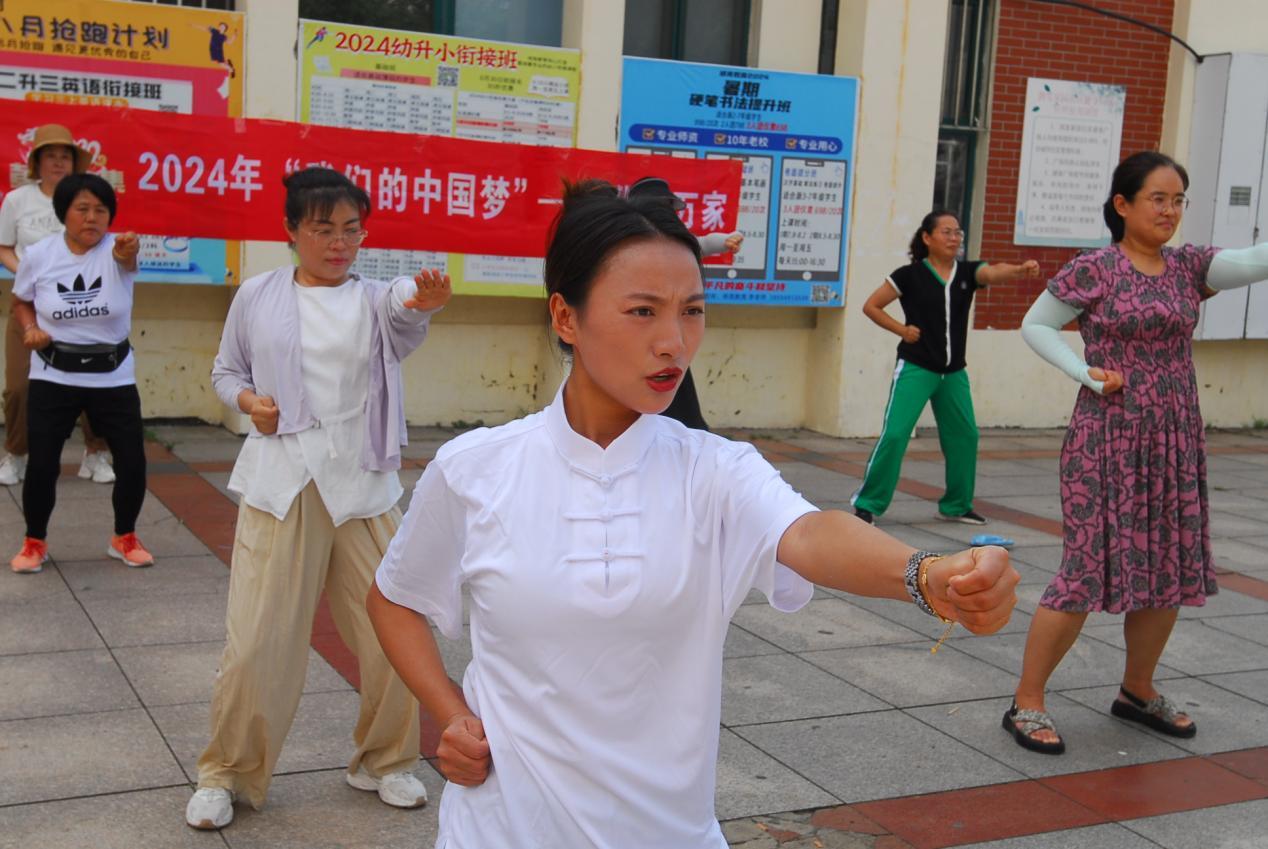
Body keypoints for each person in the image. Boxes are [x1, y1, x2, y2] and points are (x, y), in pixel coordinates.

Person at [366, 180, 1020, 848]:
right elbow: (394, 597)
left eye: (693, 311)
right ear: (566, 317)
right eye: (643, 312)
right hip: (500, 830)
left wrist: (926, 574)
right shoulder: (475, 468)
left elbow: (807, 533)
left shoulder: (714, 469)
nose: (674, 343)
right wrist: (450, 712)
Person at [185, 168, 449, 830]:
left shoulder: (375, 299)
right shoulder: (257, 295)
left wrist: (421, 300)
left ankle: (384, 760)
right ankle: (226, 772)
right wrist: (250, 402)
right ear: (291, 231)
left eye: (352, 230)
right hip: (284, 482)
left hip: (362, 485)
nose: (339, 243)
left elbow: (404, 310)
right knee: (257, 641)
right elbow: (226, 371)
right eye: (323, 229)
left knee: (394, 631)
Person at [1005, 151, 1268, 755]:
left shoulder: (1189, 266)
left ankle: (1137, 690)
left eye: (1178, 200)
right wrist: (1085, 372)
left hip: (1174, 439)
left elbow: (1257, 258)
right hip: (1108, 438)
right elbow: (1036, 325)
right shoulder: (1095, 268)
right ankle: (1027, 701)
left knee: (1166, 568)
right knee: (1083, 570)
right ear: (1122, 205)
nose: (1169, 211)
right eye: (1158, 198)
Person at [851, 210, 1041, 525]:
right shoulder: (909, 275)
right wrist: (902, 330)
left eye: (957, 232)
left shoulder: (966, 273)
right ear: (927, 238)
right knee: (896, 434)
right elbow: (872, 306)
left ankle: (956, 505)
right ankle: (867, 503)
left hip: (953, 373)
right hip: (916, 367)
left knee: (965, 436)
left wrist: (1020, 270)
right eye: (946, 232)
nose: (954, 238)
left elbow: (993, 272)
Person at [8, 174, 150, 573]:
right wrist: (30, 328)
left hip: (113, 375)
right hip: (54, 374)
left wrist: (128, 249)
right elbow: (21, 301)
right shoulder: (40, 254)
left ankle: (125, 537)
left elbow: (127, 257)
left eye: (101, 210)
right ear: (63, 213)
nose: (92, 218)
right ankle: (34, 542)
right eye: (82, 209)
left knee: (132, 462)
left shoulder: (118, 249)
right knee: (42, 464)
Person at [0, 123, 114, 488]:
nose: (58, 162)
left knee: (94, 381)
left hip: (83, 305)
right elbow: (4, 247)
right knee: (19, 387)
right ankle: (16, 453)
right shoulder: (17, 200)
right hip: (29, 305)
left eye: (65, 155)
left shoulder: (87, 198)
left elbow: (102, 244)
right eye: (50, 155)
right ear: (36, 162)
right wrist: (30, 274)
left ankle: (96, 453)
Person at [627, 175, 743, 431]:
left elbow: (703, 243)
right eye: (659, 207)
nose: (665, 213)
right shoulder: (621, 247)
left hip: (667, 335)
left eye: (668, 208)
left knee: (675, 390)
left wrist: (727, 240)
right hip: (635, 337)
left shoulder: (678, 245)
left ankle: (684, 430)